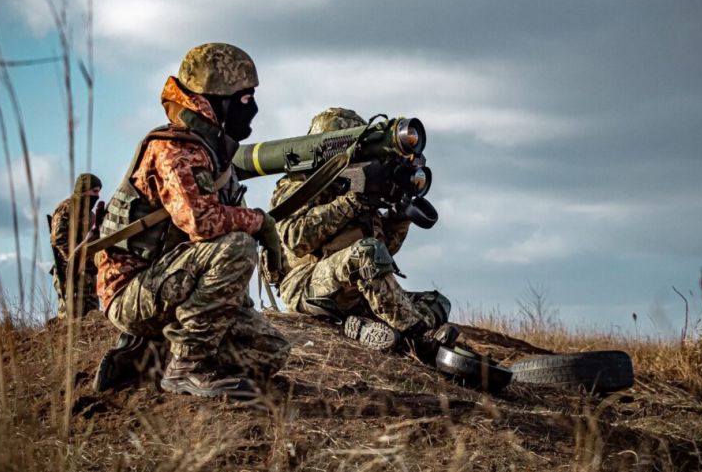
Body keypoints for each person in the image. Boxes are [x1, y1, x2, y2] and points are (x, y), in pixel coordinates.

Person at [93, 43, 289, 399]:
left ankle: (152, 353)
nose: (253, 109)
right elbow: (203, 223)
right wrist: (260, 222)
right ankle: (187, 366)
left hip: (172, 284)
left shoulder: (211, 151)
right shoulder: (174, 149)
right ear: (217, 100)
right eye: (245, 99)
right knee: (238, 245)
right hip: (132, 292)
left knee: (270, 352)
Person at [266, 107, 454, 357]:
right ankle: (417, 337)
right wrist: (353, 201)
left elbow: (384, 252)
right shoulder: (300, 183)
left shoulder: (357, 183)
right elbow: (295, 239)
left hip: (353, 292)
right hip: (306, 285)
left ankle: (371, 329)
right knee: (366, 252)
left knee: (438, 303)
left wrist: (400, 216)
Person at [49, 173, 103, 319]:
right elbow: (59, 240)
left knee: (91, 319)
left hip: (88, 275)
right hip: (70, 273)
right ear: (84, 190)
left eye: (98, 192)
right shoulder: (66, 209)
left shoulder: (90, 215)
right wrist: (78, 258)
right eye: (94, 191)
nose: (97, 196)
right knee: (71, 320)